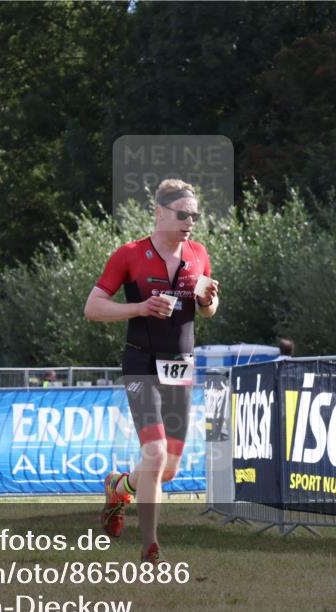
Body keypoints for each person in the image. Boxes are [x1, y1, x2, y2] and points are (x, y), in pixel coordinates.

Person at [84, 179, 220, 564]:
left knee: (169, 470)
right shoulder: (129, 254)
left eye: (195, 215)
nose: (190, 222)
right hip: (141, 362)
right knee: (155, 454)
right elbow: (92, 308)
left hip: (179, 364)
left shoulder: (199, 254)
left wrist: (207, 301)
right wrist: (140, 308)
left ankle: (119, 487)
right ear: (160, 213)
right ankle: (150, 547)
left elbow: (209, 309)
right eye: (183, 214)